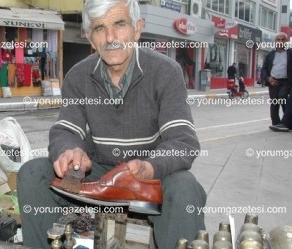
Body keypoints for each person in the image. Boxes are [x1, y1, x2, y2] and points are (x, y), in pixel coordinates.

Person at [17, 0, 206, 248]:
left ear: (137, 29)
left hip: (148, 178)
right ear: (90, 38)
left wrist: (150, 167)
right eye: (99, 28)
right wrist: (70, 151)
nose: (110, 37)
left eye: (120, 24)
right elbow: (66, 130)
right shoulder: (78, 76)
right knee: (32, 174)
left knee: (185, 189)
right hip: (97, 178)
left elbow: (183, 142)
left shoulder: (165, 71)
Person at [260, 32, 292, 126]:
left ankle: (286, 121)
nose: (280, 42)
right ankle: (276, 123)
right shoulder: (270, 54)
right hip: (273, 82)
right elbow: (264, 69)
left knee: (282, 97)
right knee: (274, 102)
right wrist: (268, 78)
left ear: (286, 41)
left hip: (286, 81)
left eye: (283, 40)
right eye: (278, 40)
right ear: (275, 41)